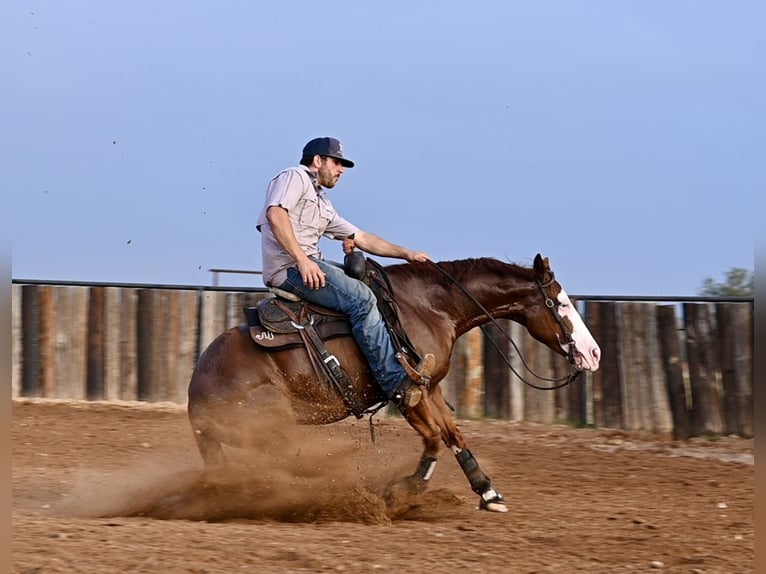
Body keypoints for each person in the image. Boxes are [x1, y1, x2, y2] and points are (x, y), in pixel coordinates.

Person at [256, 137, 433, 411]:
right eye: (337, 162)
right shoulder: (295, 177)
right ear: (318, 161)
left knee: (374, 284)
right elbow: (276, 215)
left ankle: (389, 360)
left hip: (307, 264)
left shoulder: (322, 204)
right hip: (289, 270)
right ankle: (394, 382)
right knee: (362, 299)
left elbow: (362, 237)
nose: (342, 170)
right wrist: (302, 260)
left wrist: (407, 254)